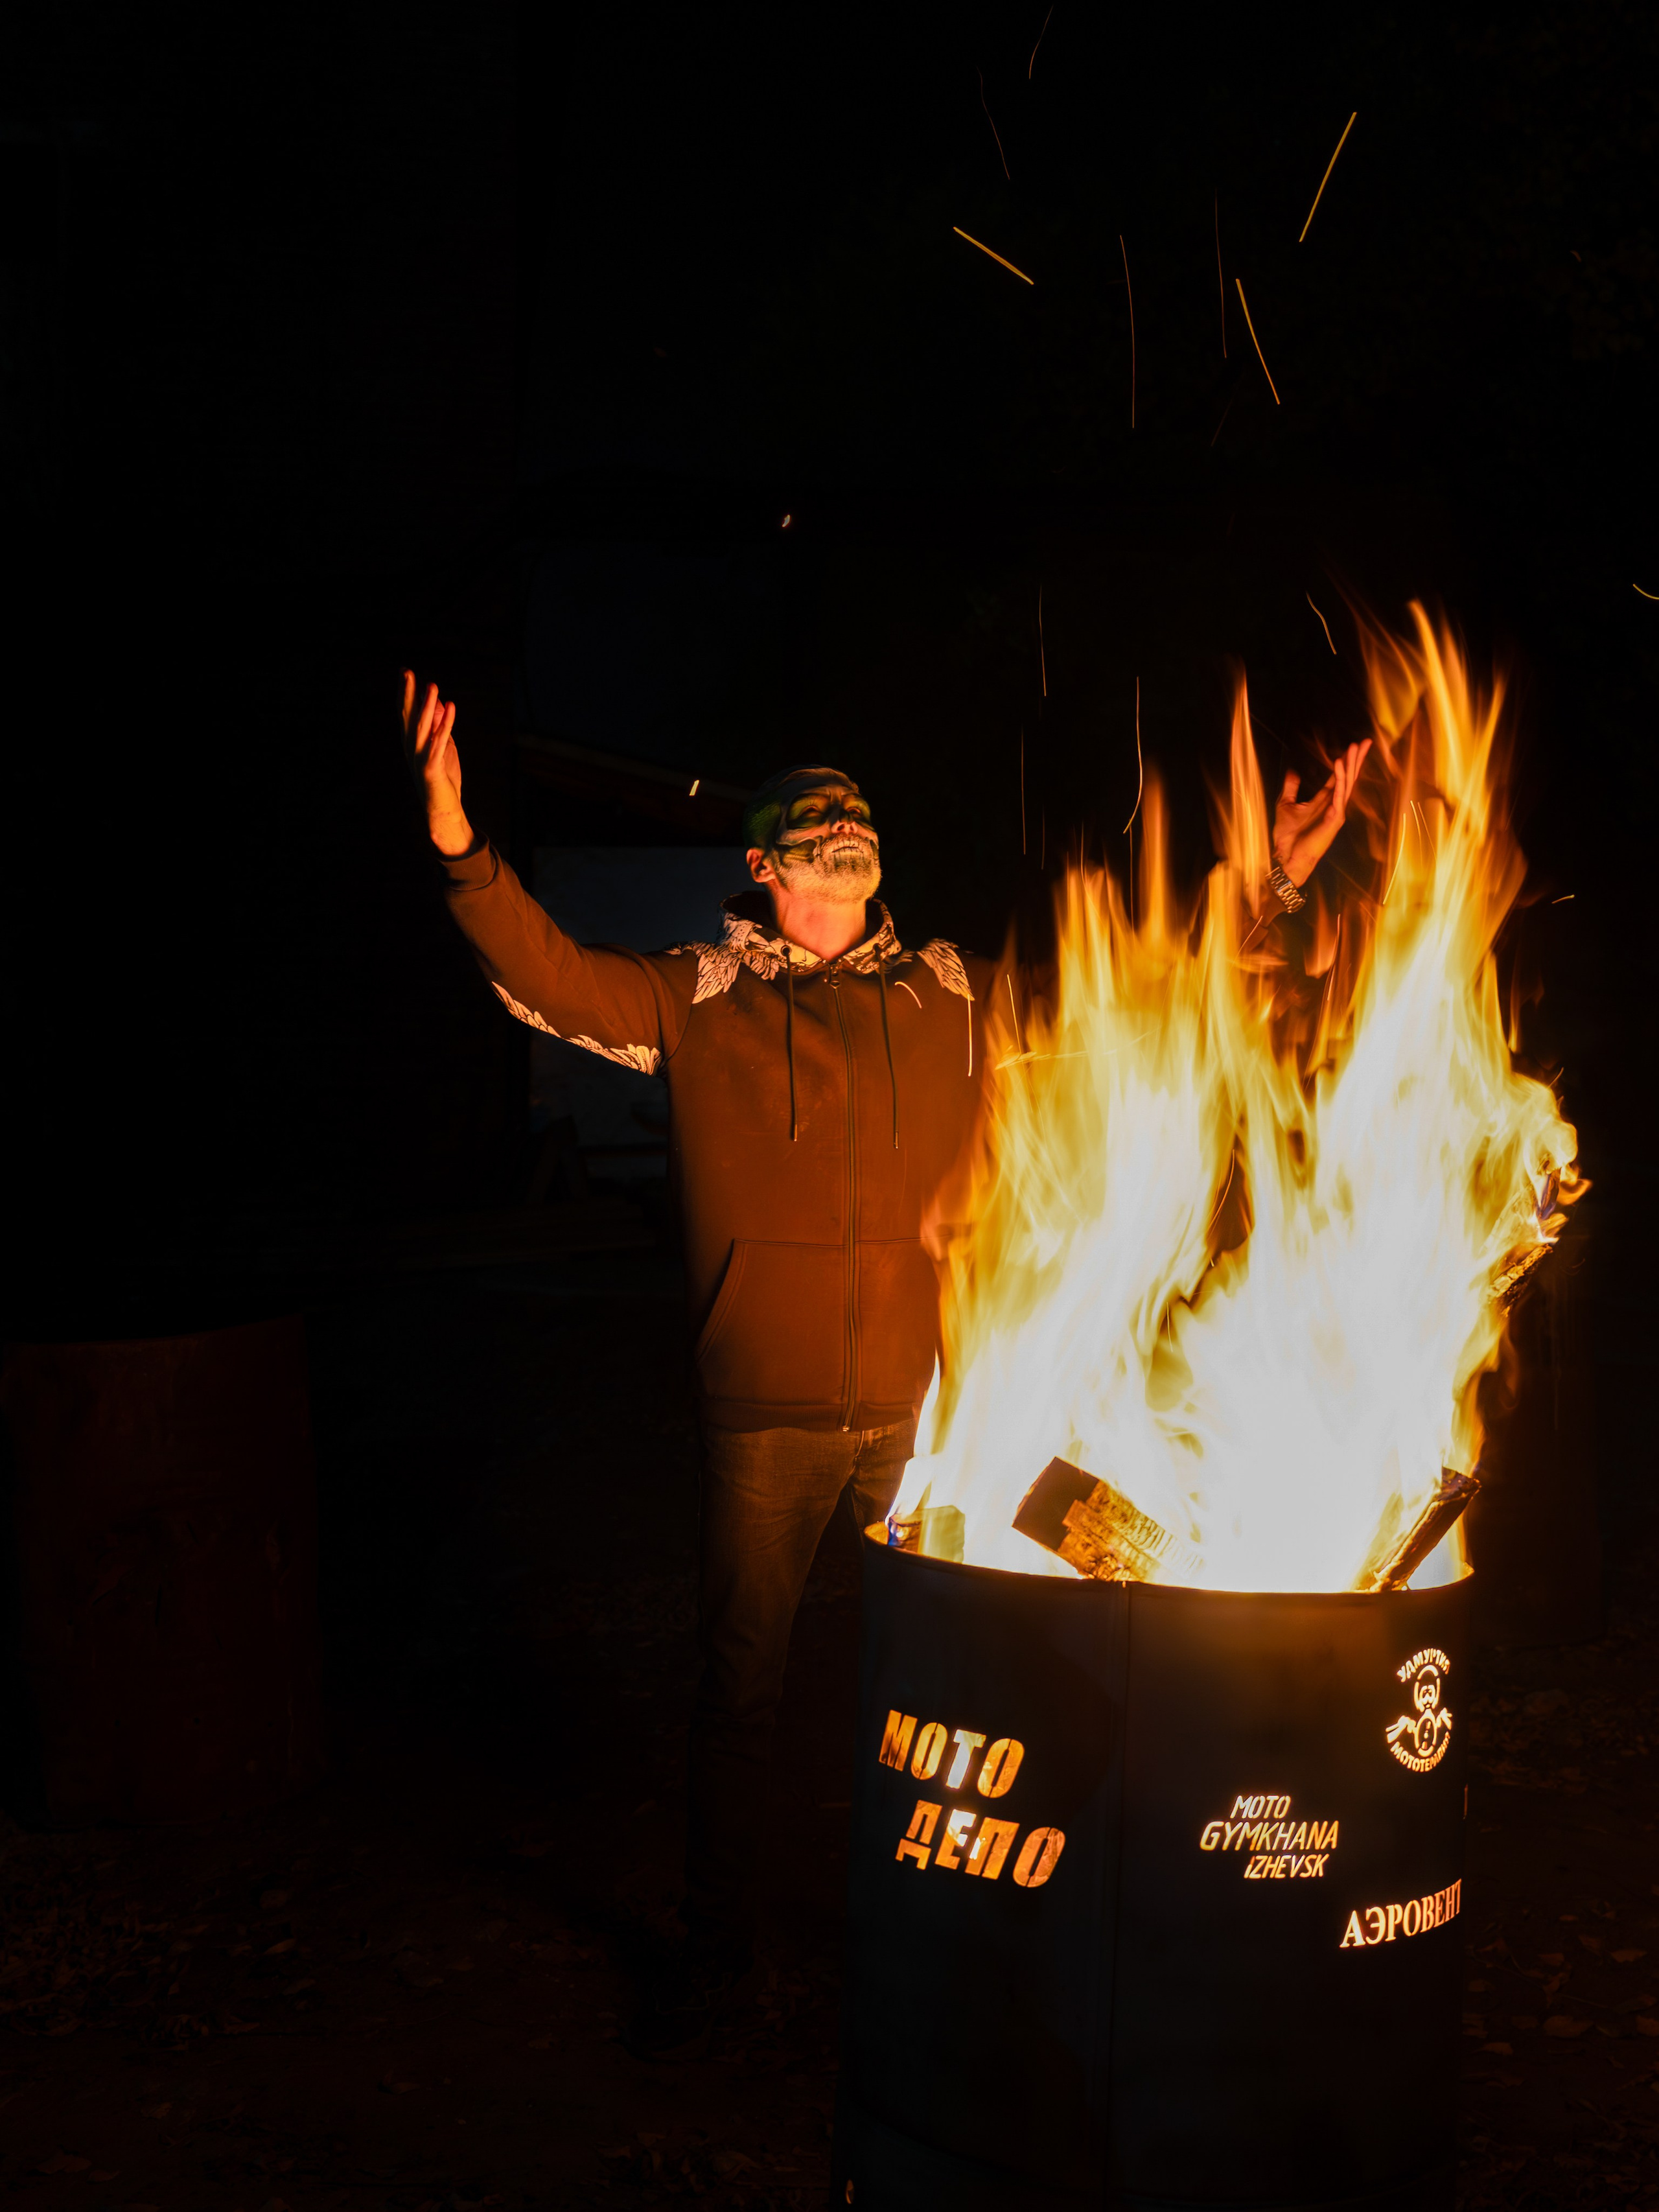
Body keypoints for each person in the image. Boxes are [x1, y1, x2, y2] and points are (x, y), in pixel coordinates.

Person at [400, 673, 1367, 2056]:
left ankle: (954, 1950)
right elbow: (546, 980)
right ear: (764, 867)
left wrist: (1266, 881)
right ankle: (719, 1957)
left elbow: (1138, 999)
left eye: (856, 832)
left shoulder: (952, 993)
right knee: (742, 1692)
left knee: (959, 1693)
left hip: (928, 1419)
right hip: (765, 1420)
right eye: (813, 835)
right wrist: (458, 843)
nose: (841, 850)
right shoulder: (699, 997)